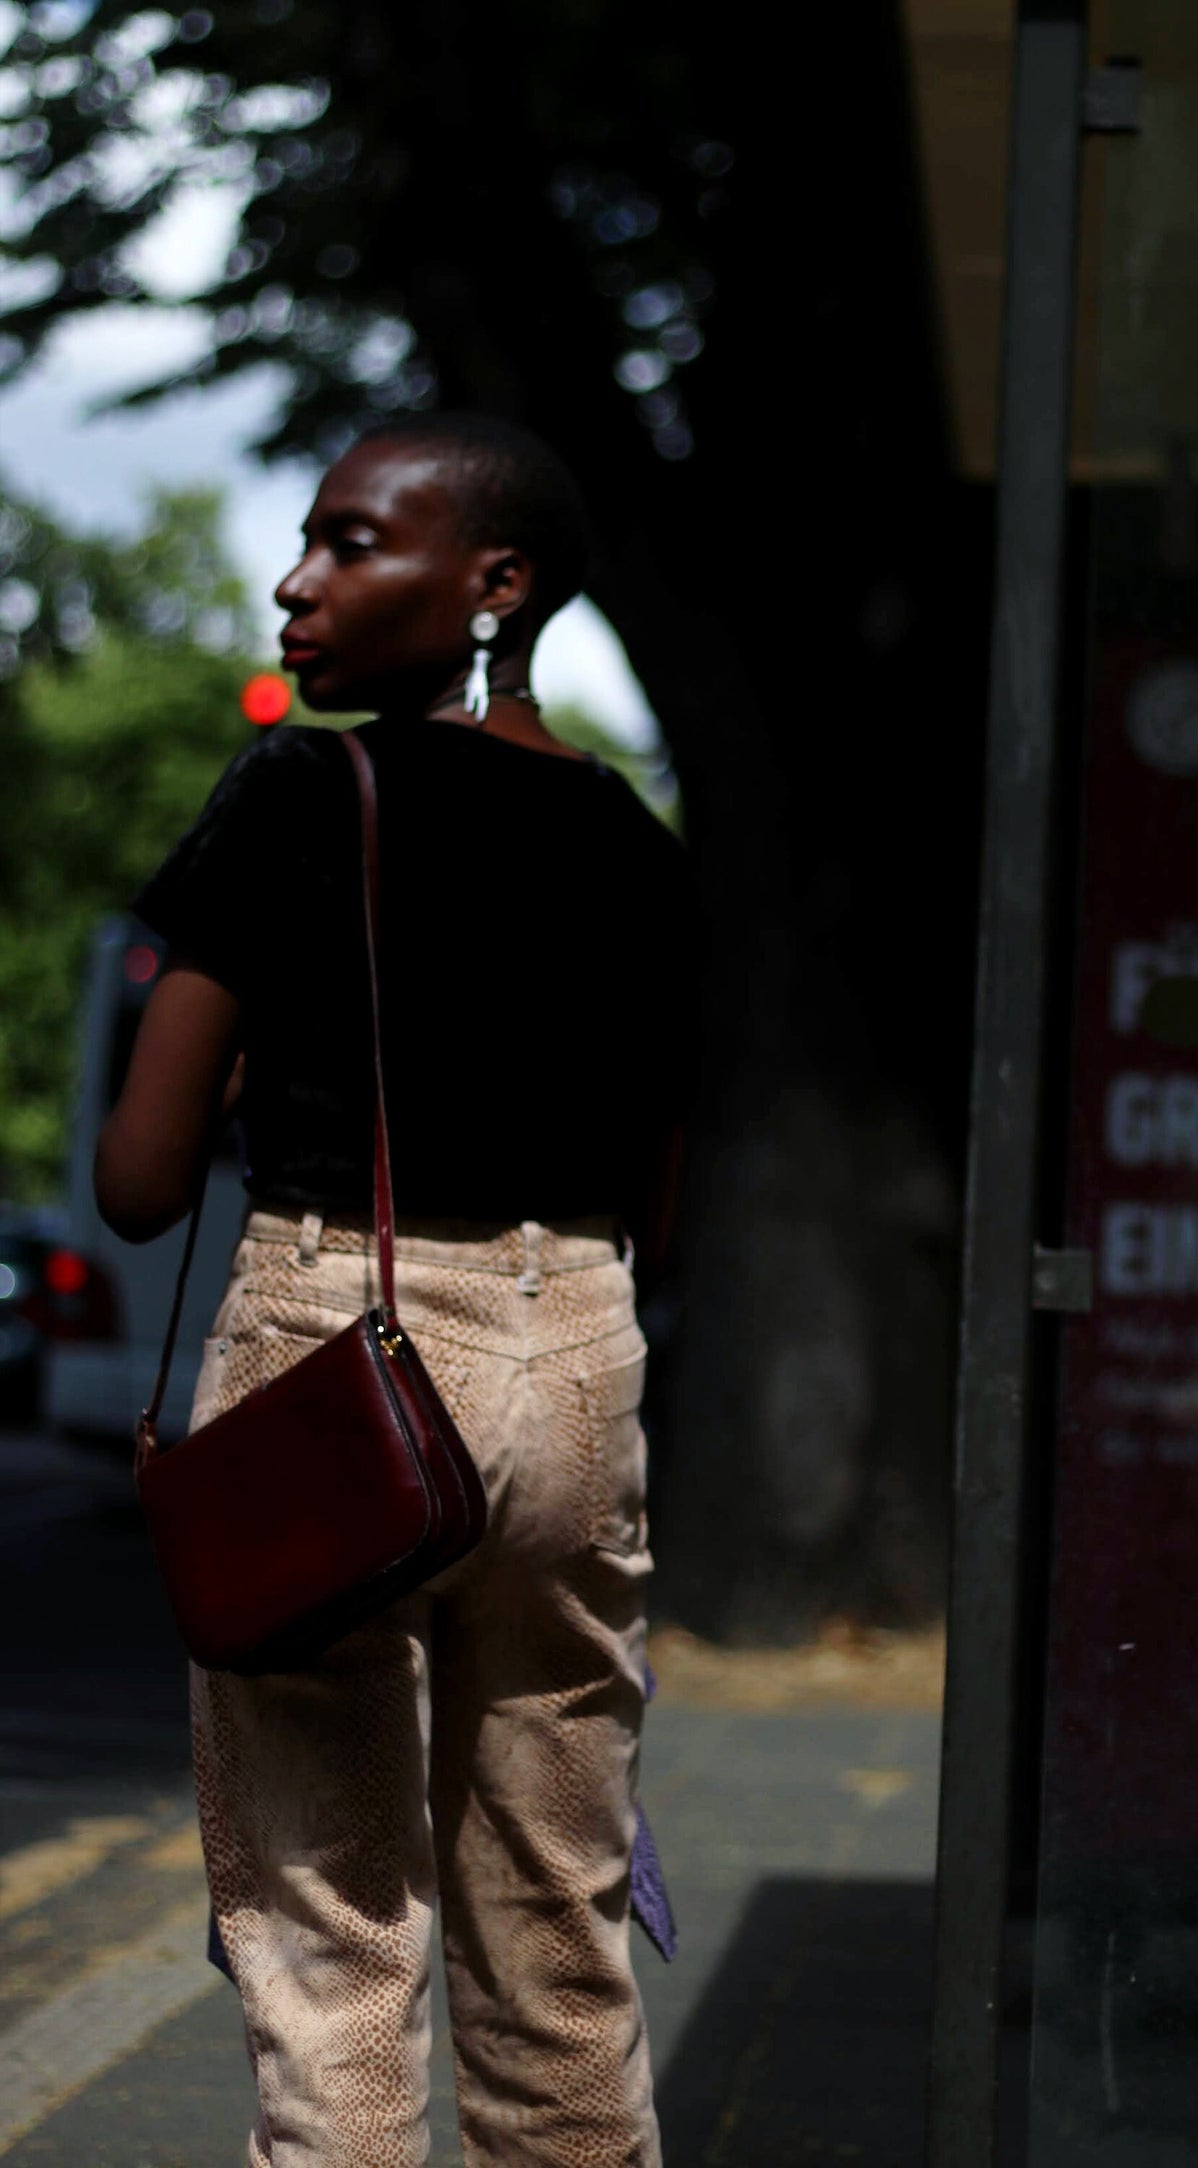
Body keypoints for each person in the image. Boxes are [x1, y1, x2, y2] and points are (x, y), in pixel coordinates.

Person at [95, 413, 697, 2167]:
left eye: (354, 543)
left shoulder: (302, 789)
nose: (298, 580)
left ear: (491, 582)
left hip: (335, 1357)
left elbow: (137, 1188)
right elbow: (656, 1193)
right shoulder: (639, 848)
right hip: (577, 1356)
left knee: (338, 1954)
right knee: (561, 1944)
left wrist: (235, 1083)